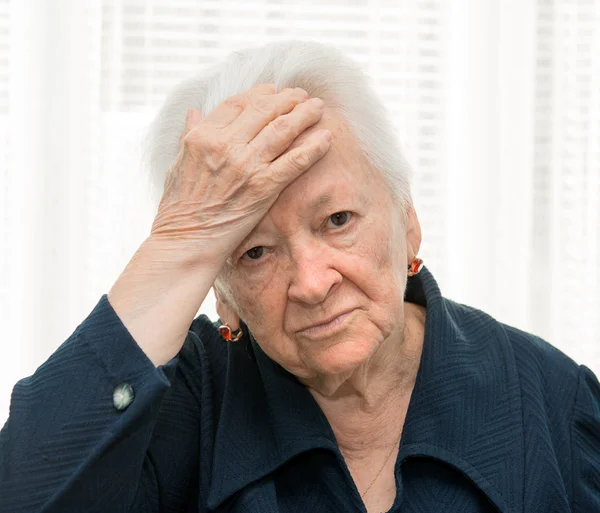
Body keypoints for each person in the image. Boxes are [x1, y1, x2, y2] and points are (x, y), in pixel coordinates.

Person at [0, 40, 598, 513]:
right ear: (220, 295)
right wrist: (180, 240)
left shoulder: (550, 401)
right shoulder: (188, 406)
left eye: (338, 220)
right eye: (254, 253)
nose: (312, 283)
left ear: (408, 222)